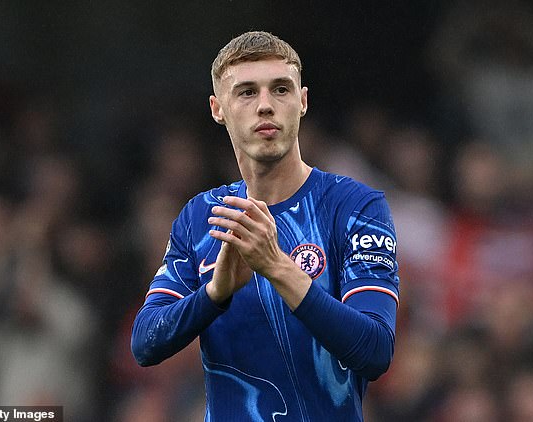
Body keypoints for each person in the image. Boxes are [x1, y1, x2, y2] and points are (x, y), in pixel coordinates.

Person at [131, 31, 400, 421]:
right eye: (246, 92)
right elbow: (144, 342)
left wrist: (276, 266)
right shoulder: (200, 216)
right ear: (217, 108)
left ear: (302, 101)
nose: (265, 106)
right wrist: (214, 293)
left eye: (280, 89)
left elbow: (375, 350)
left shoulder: (355, 207)